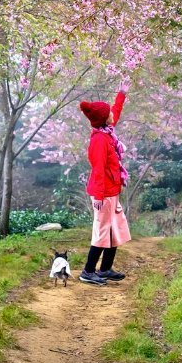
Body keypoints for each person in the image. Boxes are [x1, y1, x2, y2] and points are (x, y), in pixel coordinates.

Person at [78, 89, 132, 286]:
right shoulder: (99, 140)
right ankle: (88, 271)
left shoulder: (107, 131)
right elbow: (98, 169)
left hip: (112, 190)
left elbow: (115, 113)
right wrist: (100, 197)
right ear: (103, 119)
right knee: (102, 231)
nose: (112, 114)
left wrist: (121, 94)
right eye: (108, 112)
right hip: (103, 193)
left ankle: (105, 268)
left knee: (114, 229)